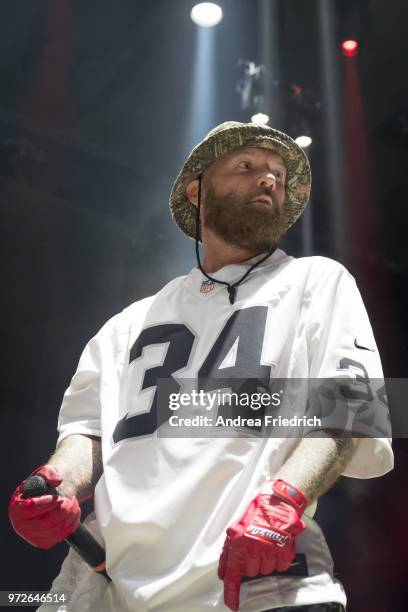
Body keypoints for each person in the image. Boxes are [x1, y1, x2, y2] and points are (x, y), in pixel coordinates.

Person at [9, 121, 393, 611]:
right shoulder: (126, 325)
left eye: (277, 172)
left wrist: (285, 500)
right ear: (197, 192)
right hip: (111, 585)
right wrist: (53, 482)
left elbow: (352, 407)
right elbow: (89, 433)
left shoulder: (317, 282)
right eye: (247, 166)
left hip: (257, 578)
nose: (268, 179)